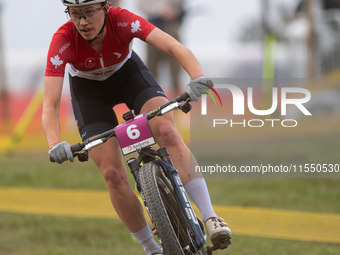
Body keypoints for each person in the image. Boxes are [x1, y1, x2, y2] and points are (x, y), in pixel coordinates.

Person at [42, 1, 231, 254]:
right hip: (89, 94)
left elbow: (174, 46)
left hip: (129, 76)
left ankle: (210, 217)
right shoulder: (63, 40)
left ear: (106, 8)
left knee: (167, 132)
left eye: (89, 13)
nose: (82, 22)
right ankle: (151, 248)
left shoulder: (122, 20)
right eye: (75, 14)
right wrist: (55, 143)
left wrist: (197, 76)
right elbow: (50, 104)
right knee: (111, 172)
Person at [137, 0, 185, 96]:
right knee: (151, 69)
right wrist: (160, 11)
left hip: (171, 26)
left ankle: (179, 103)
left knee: (175, 67)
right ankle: (153, 99)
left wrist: (174, 11)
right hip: (152, 25)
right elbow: (141, 5)